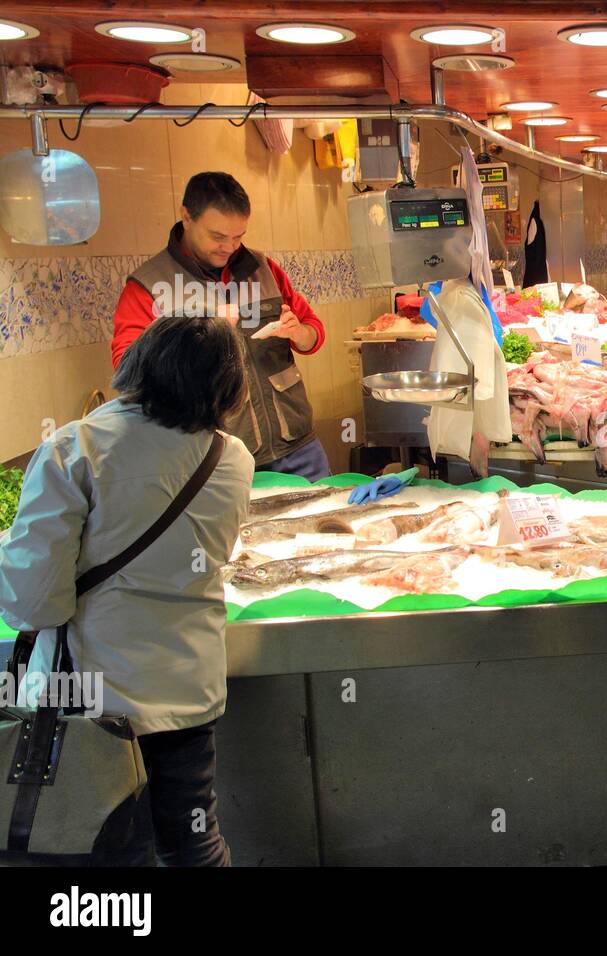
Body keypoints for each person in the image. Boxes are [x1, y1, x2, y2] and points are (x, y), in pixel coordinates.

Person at [0, 315, 254, 866]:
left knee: (104, 849)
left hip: (94, 699)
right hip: (186, 693)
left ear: (138, 363)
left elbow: (33, 601)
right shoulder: (232, 457)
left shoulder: (77, 447)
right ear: (228, 385)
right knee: (193, 843)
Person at [111, 171, 330, 480]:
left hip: (297, 446)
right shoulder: (149, 285)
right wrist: (201, 333)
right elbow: (129, 372)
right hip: (215, 457)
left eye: (238, 236)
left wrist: (299, 333)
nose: (229, 247)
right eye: (217, 236)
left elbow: (313, 332)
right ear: (186, 217)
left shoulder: (262, 268)